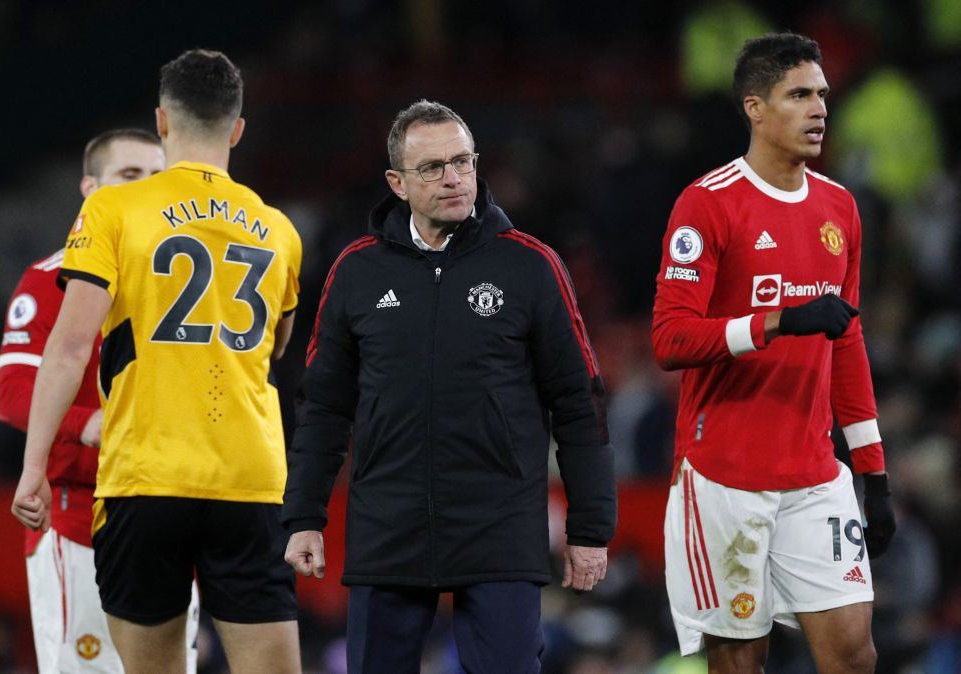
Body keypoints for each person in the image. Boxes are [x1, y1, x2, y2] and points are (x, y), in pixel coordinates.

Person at [282, 99, 617, 673]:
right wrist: (304, 515)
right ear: (397, 182)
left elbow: (578, 402)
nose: (454, 178)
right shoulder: (356, 272)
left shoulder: (530, 266)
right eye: (433, 167)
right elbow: (324, 407)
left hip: (499, 526)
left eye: (463, 161)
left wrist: (590, 529)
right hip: (389, 528)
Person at [10, 49, 303, 674]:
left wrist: (35, 465)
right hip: (249, 479)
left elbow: (67, 348)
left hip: (145, 475)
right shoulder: (278, 228)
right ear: (238, 128)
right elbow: (278, 346)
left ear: (162, 124)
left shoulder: (115, 210)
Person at [652, 32, 896, 673]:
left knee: (854, 656)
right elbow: (670, 339)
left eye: (822, 94)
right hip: (724, 476)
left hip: (815, 474)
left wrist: (872, 468)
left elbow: (847, 340)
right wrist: (777, 322)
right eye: (798, 95)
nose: (819, 108)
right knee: (740, 665)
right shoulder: (706, 204)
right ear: (755, 107)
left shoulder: (839, 207)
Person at [0, 128, 201, 674]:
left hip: (169, 513)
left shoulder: (188, 281)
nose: (144, 191)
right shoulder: (47, 279)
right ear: (91, 188)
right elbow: (13, 392)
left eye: (156, 178)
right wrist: (88, 424)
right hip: (78, 515)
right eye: (129, 176)